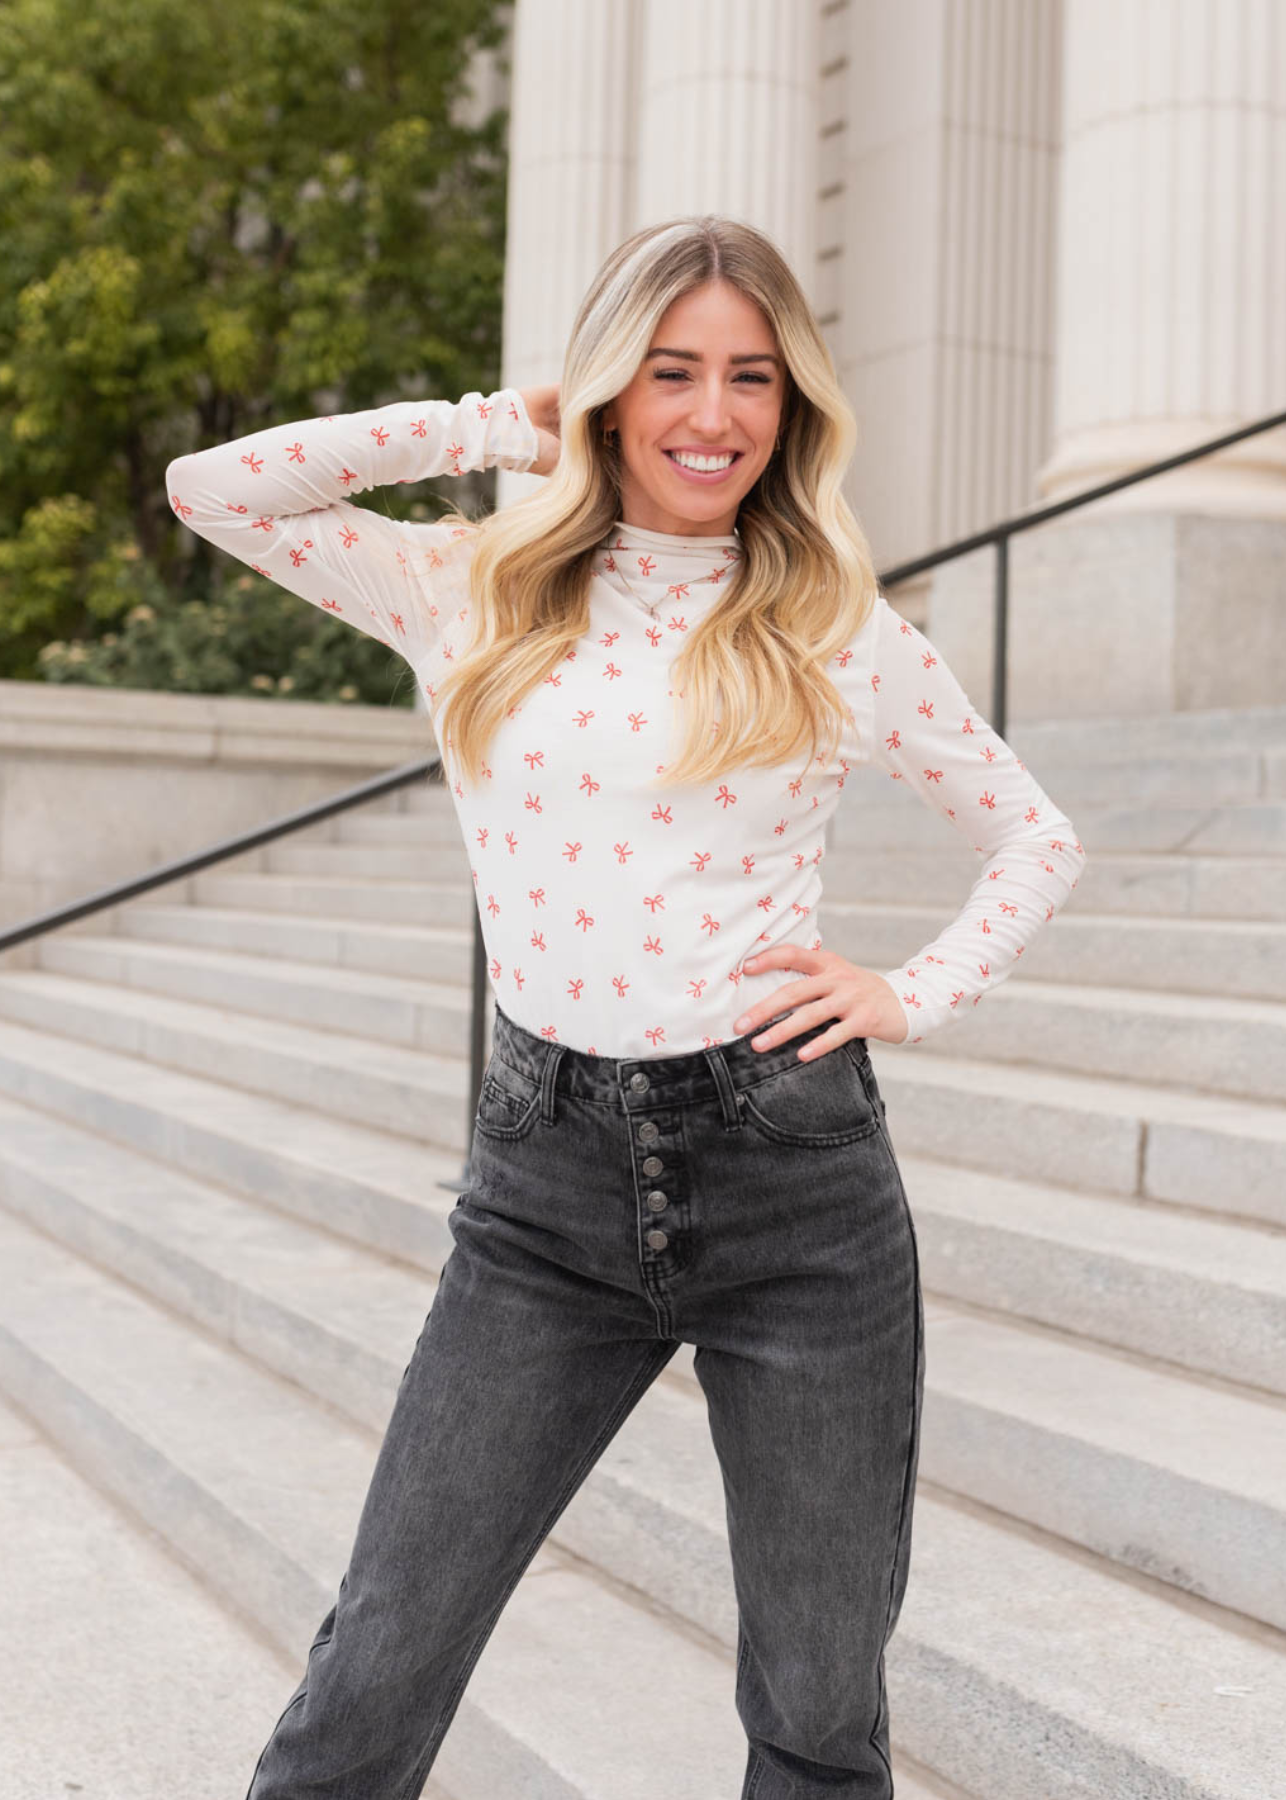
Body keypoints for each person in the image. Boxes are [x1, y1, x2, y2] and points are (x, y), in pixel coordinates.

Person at [165, 214, 1086, 1799]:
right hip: (540, 1196)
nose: (712, 416)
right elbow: (214, 490)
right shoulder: (468, 587)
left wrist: (908, 992)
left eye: (750, 378)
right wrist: (490, 430)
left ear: (793, 406)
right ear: (604, 390)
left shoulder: (834, 630)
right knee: (373, 1675)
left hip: (794, 1190)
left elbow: (1033, 832)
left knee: (815, 1707)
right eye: (668, 373)